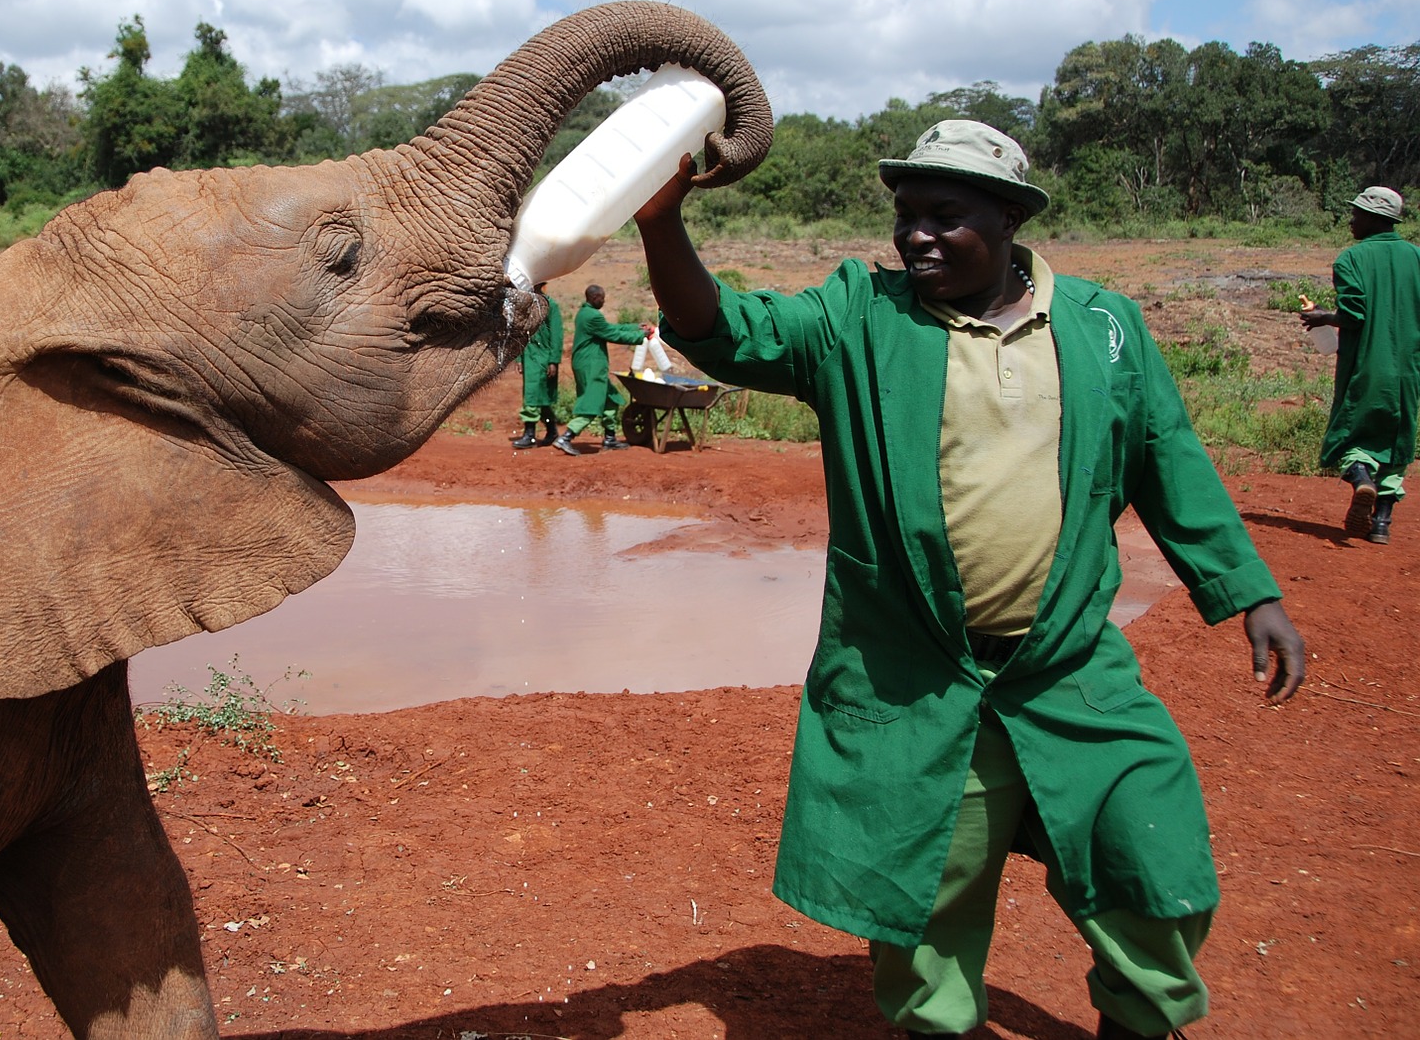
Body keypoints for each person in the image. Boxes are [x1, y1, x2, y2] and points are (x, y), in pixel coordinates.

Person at [634, 120, 1306, 1040]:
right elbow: (720, 328)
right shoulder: (859, 317)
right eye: (905, 216)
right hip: (920, 671)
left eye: (945, 216)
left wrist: (1250, 591)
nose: (916, 236)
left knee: (1151, 848)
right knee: (929, 902)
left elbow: (1167, 458)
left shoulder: (1103, 327)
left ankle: (1141, 1018)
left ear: (1011, 216)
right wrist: (662, 225)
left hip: (1069, 667)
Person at [1298, 186, 1420, 545]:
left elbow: (1354, 314)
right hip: (1409, 368)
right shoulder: (1416, 257)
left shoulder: (1351, 260)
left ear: (1374, 218)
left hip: (1367, 363)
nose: (1351, 220)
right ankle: (1381, 523)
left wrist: (1323, 317)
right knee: (1398, 439)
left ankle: (1361, 479)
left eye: (1356, 214)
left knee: (1350, 430)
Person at [553, 284, 648, 455]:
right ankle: (566, 437)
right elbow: (612, 334)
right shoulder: (592, 316)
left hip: (588, 363)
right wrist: (641, 336)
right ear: (595, 297)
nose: (603, 301)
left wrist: (635, 327)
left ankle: (610, 438)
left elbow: (610, 328)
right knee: (592, 402)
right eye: (602, 298)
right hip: (592, 365)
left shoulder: (585, 313)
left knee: (610, 398)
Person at [511, 281, 563, 448]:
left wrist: (554, 360)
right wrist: (519, 358)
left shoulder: (550, 305)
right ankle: (551, 429)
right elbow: (519, 333)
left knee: (535, 396)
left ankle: (530, 434)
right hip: (529, 356)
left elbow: (557, 334)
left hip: (544, 356)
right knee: (536, 396)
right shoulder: (525, 305)